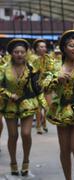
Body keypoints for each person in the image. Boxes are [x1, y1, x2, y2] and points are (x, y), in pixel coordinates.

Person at [43, 30, 74, 180]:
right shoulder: (55, 66)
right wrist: (56, 80)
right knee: (64, 150)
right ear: (64, 48)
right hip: (61, 111)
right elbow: (43, 85)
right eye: (71, 45)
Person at [0, 39, 43, 176]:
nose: (19, 54)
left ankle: (26, 161)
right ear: (11, 53)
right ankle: (13, 162)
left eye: (22, 52)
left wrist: (46, 105)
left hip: (27, 103)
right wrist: (8, 94)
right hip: (10, 105)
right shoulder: (4, 68)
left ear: (26, 53)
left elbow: (38, 87)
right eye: (16, 52)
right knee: (13, 135)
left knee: (26, 133)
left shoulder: (32, 68)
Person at [30, 39, 54, 134]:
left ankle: (44, 122)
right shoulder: (32, 58)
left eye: (44, 46)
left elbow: (52, 70)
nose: (43, 48)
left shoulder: (48, 58)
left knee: (48, 107)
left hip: (47, 86)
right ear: (36, 48)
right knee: (38, 108)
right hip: (37, 86)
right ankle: (38, 126)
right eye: (41, 46)